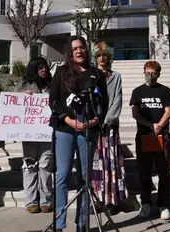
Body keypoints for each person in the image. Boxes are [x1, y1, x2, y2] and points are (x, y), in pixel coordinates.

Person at [50, 36, 109, 232]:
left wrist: (95, 120)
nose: (79, 51)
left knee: (85, 178)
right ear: (69, 52)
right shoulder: (60, 72)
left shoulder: (96, 74)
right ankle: (58, 223)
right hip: (65, 129)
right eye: (75, 48)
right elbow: (54, 101)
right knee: (62, 174)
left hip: (88, 130)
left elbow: (104, 102)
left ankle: (82, 223)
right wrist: (67, 119)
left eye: (82, 47)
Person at [129, 60, 170, 221]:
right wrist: (150, 125)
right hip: (144, 136)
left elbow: (169, 111)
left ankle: (164, 206)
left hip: (162, 137)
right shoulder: (137, 92)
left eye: (153, 73)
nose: (150, 76)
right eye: (147, 73)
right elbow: (135, 113)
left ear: (158, 74)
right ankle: (146, 203)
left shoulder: (165, 91)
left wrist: (160, 126)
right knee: (144, 172)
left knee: (163, 172)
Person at [90, 42, 127, 216]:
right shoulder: (90, 76)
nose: (101, 58)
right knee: (96, 163)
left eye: (104, 55)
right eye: (98, 55)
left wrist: (107, 120)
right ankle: (97, 199)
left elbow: (117, 100)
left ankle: (112, 200)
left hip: (109, 127)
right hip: (93, 126)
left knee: (110, 163)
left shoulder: (116, 76)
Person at [14, 56, 54, 214]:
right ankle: (31, 200)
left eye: (44, 67)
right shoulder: (23, 85)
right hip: (29, 134)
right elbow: (13, 105)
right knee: (30, 165)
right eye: (39, 68)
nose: (43, 70)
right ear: (33, 70)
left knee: (45, 165)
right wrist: (24, 97)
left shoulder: (52, 84)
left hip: (47, 133)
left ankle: (46, 200)